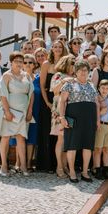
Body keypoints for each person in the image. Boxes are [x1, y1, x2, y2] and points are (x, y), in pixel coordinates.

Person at [0, 52, 34, 177]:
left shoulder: (27, 76)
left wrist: (30, 111)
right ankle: (4, 166)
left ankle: (23, 166)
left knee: (21, 138)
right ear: (11, 62)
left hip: (23, 111)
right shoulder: (6, 76)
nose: (19, 63)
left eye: (21, 61)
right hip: (10, 111)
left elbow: (31, 94)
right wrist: (7, 111)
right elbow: (3, 94)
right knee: (6, 137)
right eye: (16, 61)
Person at [57, 60, 98, 183]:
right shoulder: (69, 84)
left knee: (87, 146)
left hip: (89, 120)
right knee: (72, 146)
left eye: (86, 70)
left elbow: (96, 103)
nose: (83, 72)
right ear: (75, 71)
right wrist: (62, 117)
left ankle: (85, 172)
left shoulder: (91, 85)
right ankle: (73, 172)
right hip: (73, 119)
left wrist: (97, 120)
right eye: (80, 70)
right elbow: (62, 101)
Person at [39, 40, 68, 172]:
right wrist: (47, 102)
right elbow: (42, 85)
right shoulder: (46, 63)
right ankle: (47, 164)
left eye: (60, 47)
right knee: (48, 132)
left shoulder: (66, 63)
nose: (57, 49)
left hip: (63, 100)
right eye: (55, 47)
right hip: (49, 100)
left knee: (61, 135)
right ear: (51, 49)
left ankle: (60, 164)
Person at [50, 55, 75, 178]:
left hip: (71, 109)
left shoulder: (75, 77)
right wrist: (64, 81)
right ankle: (59, 166)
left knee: (68, 139)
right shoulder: (58, 75)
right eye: (72, 63)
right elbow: (54, 90)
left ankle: (65, 165)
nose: (74, 66)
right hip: (59, 109)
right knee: (61, 139)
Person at [93, 80, 108, 180]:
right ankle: (97, 170)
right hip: (101, 125)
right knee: (98, 149)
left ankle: (105, 170)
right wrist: (101, 112)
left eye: (107, 88)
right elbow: (93, 114)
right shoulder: (96, 99)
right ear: (99, 88)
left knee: (107, 149)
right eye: (103, 88)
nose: (104, 90)